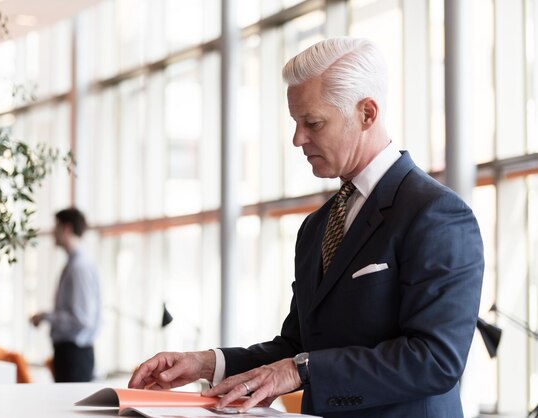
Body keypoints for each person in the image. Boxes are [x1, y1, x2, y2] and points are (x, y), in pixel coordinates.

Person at [128, 37, 484, 418]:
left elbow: (435, 360)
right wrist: (205, 363)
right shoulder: (317, 226)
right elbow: (298, 346)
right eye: (296, 123)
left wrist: (299, 369)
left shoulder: (437, 214)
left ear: (367, 113)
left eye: (312, 123)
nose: (298, 139)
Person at [31, 208, 101, 382]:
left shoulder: (79, 267)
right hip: (69, 354)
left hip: (74, 356)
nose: (53, 232)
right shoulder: (74, 264)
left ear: (67, 229)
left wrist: (47, 317)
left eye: (56, 226)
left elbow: (82, 319)